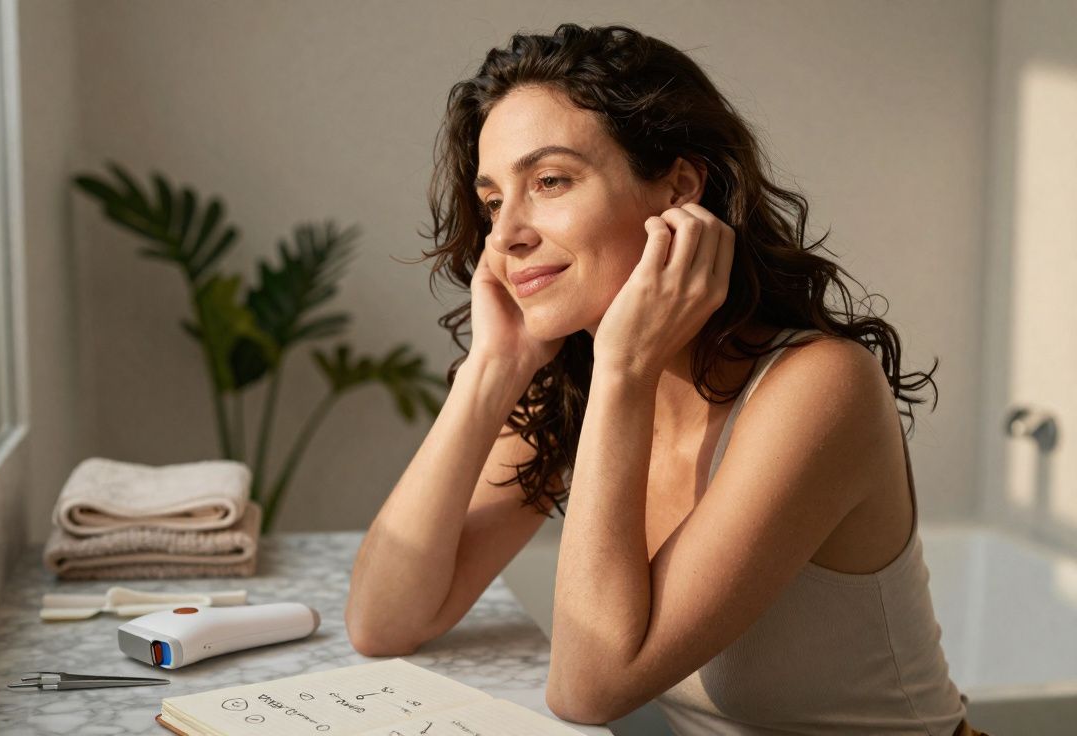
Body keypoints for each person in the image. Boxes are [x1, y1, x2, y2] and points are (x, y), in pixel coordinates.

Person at [344, 23, 987, 736]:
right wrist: (493, 369)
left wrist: (626, 367)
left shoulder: (818, 387)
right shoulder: (580, 383)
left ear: (679, 188)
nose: (504, 236)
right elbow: (383, 620)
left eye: (550, 182)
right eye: (495, 200)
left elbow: (588, 690)